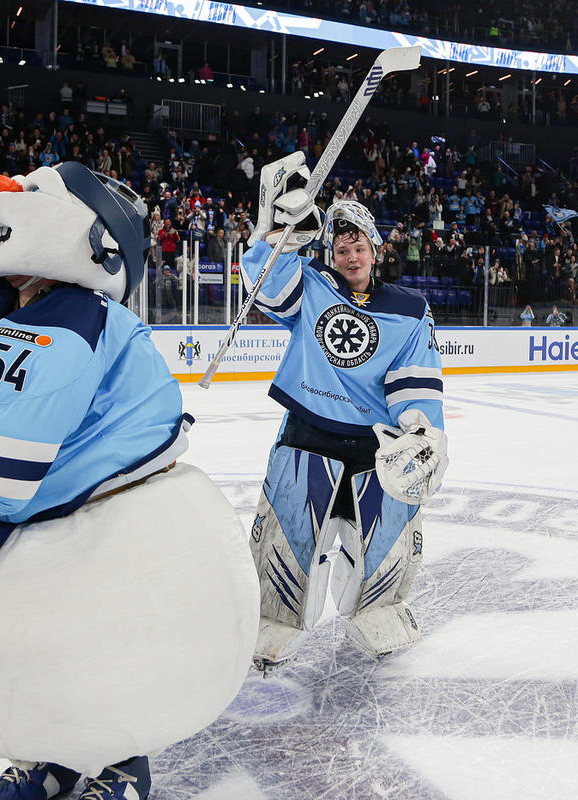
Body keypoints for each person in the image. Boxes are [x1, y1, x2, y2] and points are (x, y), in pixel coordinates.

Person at [0, 57, 254, 800]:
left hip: (80, 538)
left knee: (100, 665)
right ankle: (47, 757)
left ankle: (116, 764)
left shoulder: (76, 317)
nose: (8, 194)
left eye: (32, 192)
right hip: (7, 534)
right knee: (36, 670)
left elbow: (14, 432)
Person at [239, 152, 447, 671]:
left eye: (359, 245)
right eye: (340, 247)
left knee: (383, 537)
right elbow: (266, 284)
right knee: (288, 531)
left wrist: (420, 430)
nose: (351, 255)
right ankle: (274, 619)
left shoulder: (408, 309)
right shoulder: (313, 286)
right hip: (309, 431)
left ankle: (381, 610)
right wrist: (278, 234)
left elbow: (415, 378)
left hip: (373, 444)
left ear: (376, 249)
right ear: (330, 253)